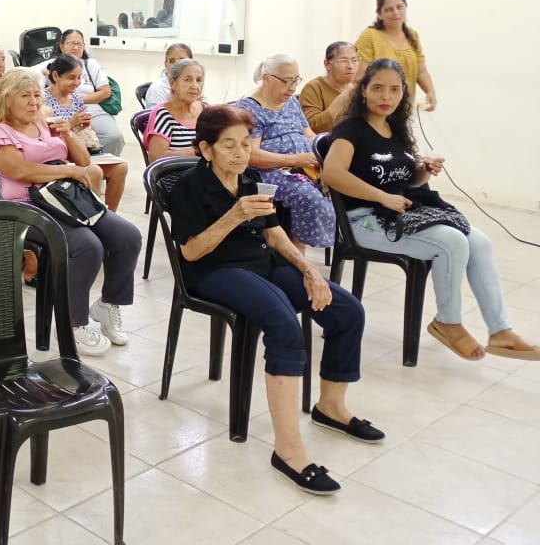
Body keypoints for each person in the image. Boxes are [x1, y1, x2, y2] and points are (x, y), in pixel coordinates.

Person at [169, 105, 382, 495]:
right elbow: (192, 252)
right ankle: (288, 450)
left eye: (245, 144)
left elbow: (273, 233)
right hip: (214, 271)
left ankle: (331, 407)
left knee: (347, 310)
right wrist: (234, 216)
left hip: (260, 262)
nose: (241, 153)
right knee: (284, 324)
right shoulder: (189, 187)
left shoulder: (250, 178)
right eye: (229, 145)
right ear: (207, 149)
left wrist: (308, 269)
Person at [321, 59, 538, 362]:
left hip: (398, 214)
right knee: (452, 242)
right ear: (364, 91)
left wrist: (424, 169)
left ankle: (500, 330)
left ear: (403, 93)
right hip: (363, 222)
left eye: (394, 89)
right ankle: (447, 322)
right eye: (378, 88)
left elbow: (406, 180)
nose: (386, 96)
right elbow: (332, 174)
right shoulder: (350, 129)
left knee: (480, 242)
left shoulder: (396, 129)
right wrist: (382, 197)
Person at [0, 68, 141, 357]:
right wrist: (68, 170)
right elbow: (21, 171)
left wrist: (67, 134)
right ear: (6, 99)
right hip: (26, 206)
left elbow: (84, 161)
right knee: (87, 246)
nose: (33, 101)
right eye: (25, 96)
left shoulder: (45, 122)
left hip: (66, 197)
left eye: (36, 95)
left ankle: (107, 304)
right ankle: (72, 323)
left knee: (127, 236)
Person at [233, 54, 335, 253]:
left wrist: (327, 152)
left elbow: (308, 134)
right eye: (287, 81)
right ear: (267, 78)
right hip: (267, 173)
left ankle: (339, 244)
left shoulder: (291, 102)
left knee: (339, 184)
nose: (292, 88)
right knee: (307, 196)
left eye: (296, 80)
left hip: (303, 167)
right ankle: (294, 255)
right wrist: (296, 159)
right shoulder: (248, 107)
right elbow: (251, 155)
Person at [44, 54, 128, 212]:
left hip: (83, 149)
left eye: (79, 78)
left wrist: (86, 126)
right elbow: (44, 135)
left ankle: (110, 214)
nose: (76, 82)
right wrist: (71, 124)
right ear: (55, 76)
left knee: (121, 168)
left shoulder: (76, 98)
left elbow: (85, 129)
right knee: (94, 171)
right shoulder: (43, 99)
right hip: (61, 154)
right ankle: (94, 214)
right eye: (71, 77)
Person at [42, 29, 123, 156]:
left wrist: (76, 100)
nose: (76, 47)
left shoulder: (90, 64)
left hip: (91, 108)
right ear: (61, 46)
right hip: (61, 109)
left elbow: (105, 92)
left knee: (114, 137)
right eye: (71, 43)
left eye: (79, 44)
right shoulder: (51, 66)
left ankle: (101, 162)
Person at [355, 0, 437, 111]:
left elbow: (421, 71)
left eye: (400, 7)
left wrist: (430, 91)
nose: (396, 12)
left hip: (403, 110)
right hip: (376, 110)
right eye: (389, 9)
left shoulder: (412, 35)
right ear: (379, 14)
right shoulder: (370, 36)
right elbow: (358, 78)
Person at [144, 58, 205, 163]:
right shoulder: (164, 115)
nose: (195, 86)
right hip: (177, 172)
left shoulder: (205, 110)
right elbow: (155, 157)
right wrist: (196, 151)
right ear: (172, 83)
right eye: (187, 80)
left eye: (199, 80)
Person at [299, 42, 359, 134]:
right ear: (327, 64)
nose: (350, 66)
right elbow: (310, 128)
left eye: (354, 60)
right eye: (344, 61)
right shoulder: (313, 88)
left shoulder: (359, 89)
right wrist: (341, 101)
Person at [143, 43, 193, 108]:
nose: (176, 65)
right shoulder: (157, 90)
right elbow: (158, 114)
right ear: (166, 64)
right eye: (172, 61)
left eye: (182, 61)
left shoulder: (195, 85)